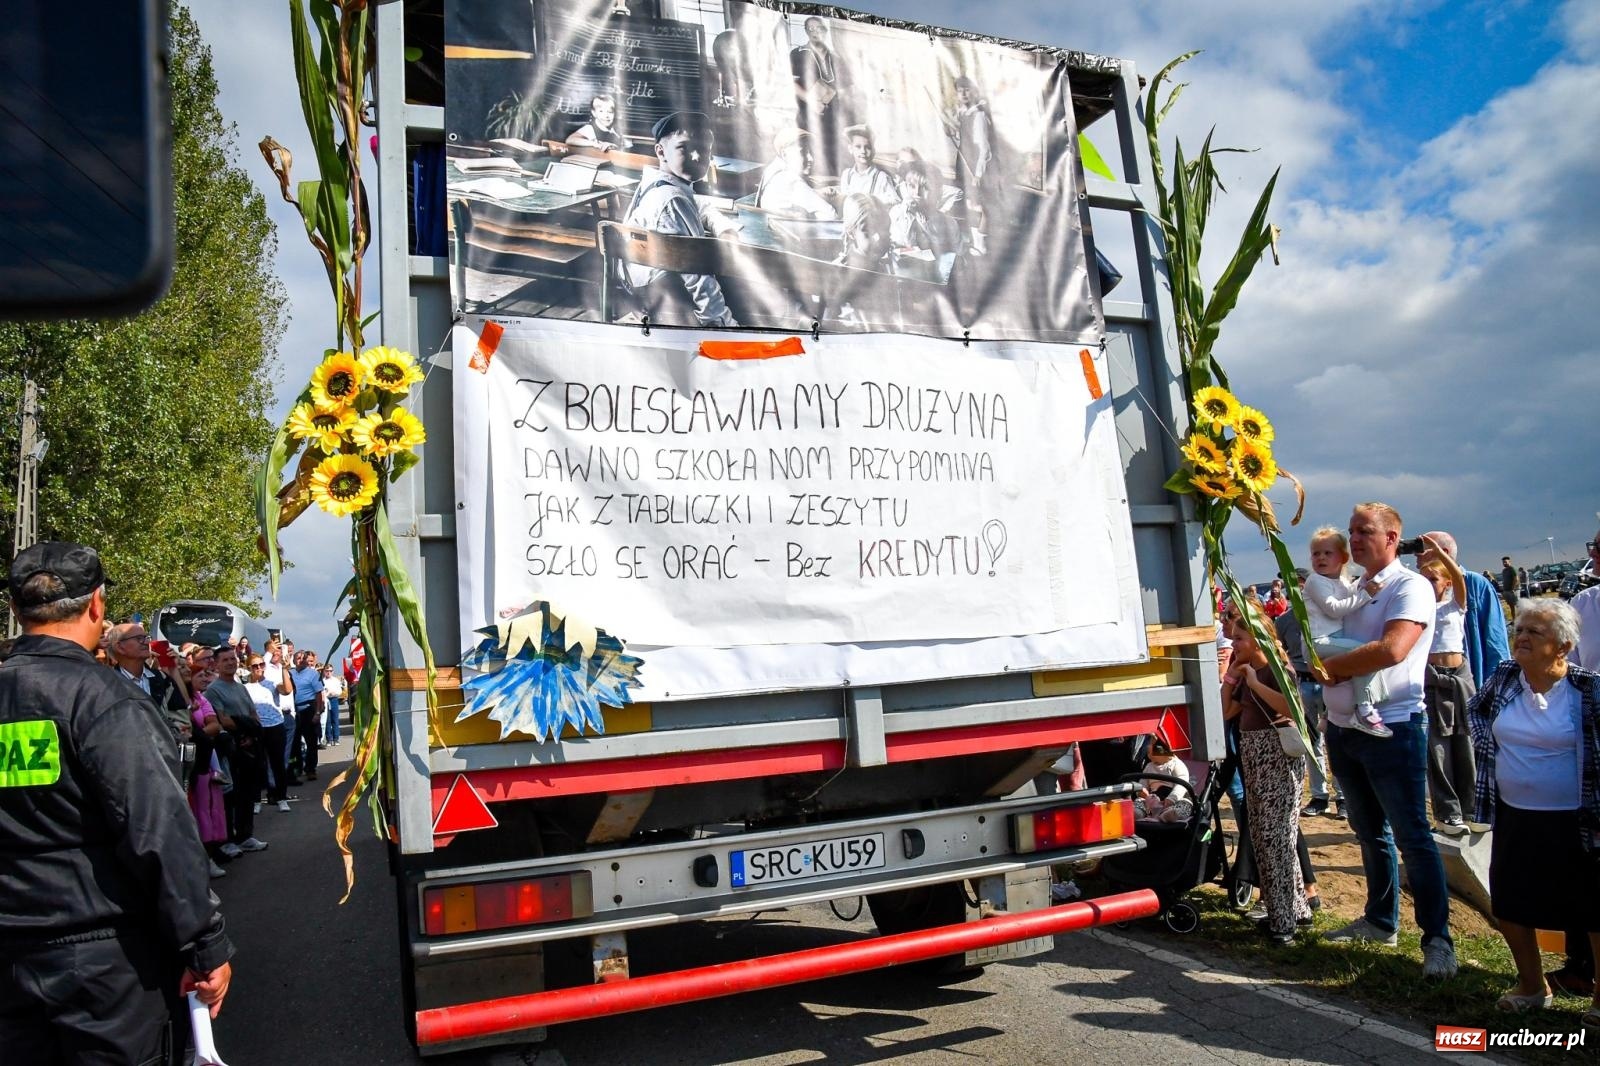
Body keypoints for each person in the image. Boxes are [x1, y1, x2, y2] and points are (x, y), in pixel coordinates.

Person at [0, 542, 233, 1061]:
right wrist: (205, 945)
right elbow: (159, 832)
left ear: (17, 611)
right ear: (97, 607)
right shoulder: (106, 700)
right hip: (102, 963)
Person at [1317, 503, 1457, 979]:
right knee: (1369, 832)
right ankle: (1381, 922)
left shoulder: (1410, 586)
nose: (1354, 539)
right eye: (1352, 530)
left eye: (1365, 531)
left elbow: (1394, 648)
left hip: (1393, 727)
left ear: (1393, 538)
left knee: (1414, 837)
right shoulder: (1357, 588)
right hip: (1344, 729)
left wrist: (1328, 666)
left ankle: (1438, 939)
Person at [1465, 598, 1599, 1020]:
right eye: (1519, 629)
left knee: (1593, 908)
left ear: (1562, 646)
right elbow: (1477, 713)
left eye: (1533, 632)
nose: (1521, 637)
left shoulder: (1589, 689)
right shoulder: (1506, 678)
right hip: (1514, 814)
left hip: (1578, 819)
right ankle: (1531, 985)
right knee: (1510, 902)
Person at [1222, 601, 1311, 944]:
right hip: (1254, 756)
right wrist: (1233, 676)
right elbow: (1227, 709)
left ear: (1258, 638)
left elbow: (1290, 707)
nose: (1234, 644)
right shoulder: (1248, 669)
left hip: (1276, 756)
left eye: (1240, 639)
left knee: (1277, 838)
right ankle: (1294, 909)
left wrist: (1254, 682)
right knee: (1263, 835)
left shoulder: (1276, 669)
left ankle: (1283, 922)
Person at [622, 111, 738, 328]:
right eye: (683, 147)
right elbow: (698, 277)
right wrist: (725, 326)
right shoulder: (671, 199)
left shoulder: (659, 181)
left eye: (704, 148)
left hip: (641, 288)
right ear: (661, 151)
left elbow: (700, 204)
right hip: (668, 304)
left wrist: (722, 227)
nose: (697, 156)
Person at [1304, 526, 1390, 738]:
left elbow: (1351, 599)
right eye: (1316, 553)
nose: (1321, 558)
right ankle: (1364, 708)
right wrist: (1365, 595)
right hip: (1318, 641)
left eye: (1327, 553)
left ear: (1343, 557)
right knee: (1365, 654)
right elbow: (1333, 609)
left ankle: (1329, 714)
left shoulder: (1343, 583)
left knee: (1348, 675)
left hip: (1334, 639)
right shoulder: (1315, 581)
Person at [1417, 538, 1476, 834]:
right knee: (1437, 749)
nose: (1428, 584)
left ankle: (1471, 807)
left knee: (1465, 743)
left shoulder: (1455, 605)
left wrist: (1440, 555)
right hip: (1432, 680)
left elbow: (1460, 578)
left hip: (1459, 678)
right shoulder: (1418, 610)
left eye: (1433, 578)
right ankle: (1447, 812)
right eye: (1423, 579)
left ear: (1446, 582)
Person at [1276, 569, 1341, 820]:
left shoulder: (1326, 616)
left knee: (1335, 739)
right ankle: (1319, 795)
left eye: (1298, 584)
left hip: (1328, 682)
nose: (1293, 590)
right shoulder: (1284, 621)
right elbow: (1283, 653)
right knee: (1311, 742)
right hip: (1303, 685)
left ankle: (1342, 795)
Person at [203, 645, 269, 859]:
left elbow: (252, 714)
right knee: (231, 795)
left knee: (248, 793)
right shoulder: (214, 689)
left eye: (233, 659)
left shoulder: (241, 687)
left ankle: (245, 835)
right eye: (225, 660)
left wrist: (252, 732)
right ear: (216, 664)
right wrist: (244, 730)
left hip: (250, 746)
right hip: (231, 747)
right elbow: (223, 720)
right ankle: (228, 840)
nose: (231, 662)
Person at [1420, 530, 1509, 687]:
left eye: (1421, 549)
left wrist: (1497, 684)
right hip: (1432, 678)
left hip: (1469, 678)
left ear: (1443, 553)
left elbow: (1495, 638)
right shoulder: (1419, 590)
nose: (1416, 555)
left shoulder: (1474, 584)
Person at [940, 74, 997, 250]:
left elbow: (983, 148)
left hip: (976, 164)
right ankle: (974, 242)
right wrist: (950, 131)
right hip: (963, 161)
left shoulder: (978, 115)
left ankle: (981, 244)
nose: (963, 94)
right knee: (968, 202)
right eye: (959, 91)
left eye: (967, 90)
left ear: (973, 92)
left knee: (979, 205)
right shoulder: (963, 113)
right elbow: (962, 136)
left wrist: (979, 173)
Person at [790, 16, 848, 172]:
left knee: (832, 158)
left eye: (819, 28)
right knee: (811, 158)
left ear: (826, 31)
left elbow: (845, 87)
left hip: (832, 117)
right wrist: (810, 99)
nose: (815, 32)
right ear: (806, 32)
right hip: (807, 115)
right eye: (811, 29)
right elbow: (792, 84)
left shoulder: (836, 57)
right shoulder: (797, 54)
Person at [243, 654, 292, 813]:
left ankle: (281, 798)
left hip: (275, 726)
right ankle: (257, 800)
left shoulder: (271, 683)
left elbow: (287, 690)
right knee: (257, 765)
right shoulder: (245, 687)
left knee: (278, 764)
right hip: (257, 728)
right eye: (255, 666)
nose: (259, 668)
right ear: (248, 668)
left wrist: (285, 669)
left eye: (261, 665)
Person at [754, 127, 838, 219]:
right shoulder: (791, 180)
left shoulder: (772, 169)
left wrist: (815, 192)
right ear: (784, 154)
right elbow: (831, 216)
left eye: (810, 152)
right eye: (803, 152)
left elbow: (794, 195)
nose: (810, 158)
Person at [889, 159, 962, 259]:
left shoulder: (949, 224)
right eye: (912, 186)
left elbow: (956, 257)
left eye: (925, 187)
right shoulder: (897, 213)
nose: (917, 193)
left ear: (937, 191)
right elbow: (892, 247)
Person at [1132, 735, 1193, 823]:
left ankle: (1171, 814)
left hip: (1174, 799)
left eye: (1152, 744)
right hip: (1153, 799)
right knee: (1140, 801)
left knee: (1185, 804)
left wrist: (1172, 798)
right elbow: (1143, 781)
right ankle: (1138, 812)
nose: (1148, 746)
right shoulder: (1149, 766)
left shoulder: (1175, 764)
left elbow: (1181, 783)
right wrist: (1142, 791)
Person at [837, 124, 899, 207]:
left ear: (873, 150)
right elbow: (843, 200)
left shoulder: (881, 177)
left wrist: (876, 204)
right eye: (858, 147)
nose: (863, 151)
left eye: (867, 147)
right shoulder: (847, 175)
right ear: (850, 149)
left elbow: (895, 201)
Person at [289, 649, 325, 781]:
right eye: (298, 658)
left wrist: (317, 712)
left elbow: (319, 694)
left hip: (309, 709)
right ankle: (296, 767)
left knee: (311, 741)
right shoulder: (289, 673)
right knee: (294, 742)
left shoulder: (313, 674)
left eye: (303, 658)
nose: (301, 660)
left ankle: (310, 769)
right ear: (293, 660)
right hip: (294, 710)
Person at [322, 663, 345, 745]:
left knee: (335, 719)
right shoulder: (322, 681)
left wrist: (332, 692)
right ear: (324, 671)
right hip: (326, 700)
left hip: (334, 699)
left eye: (330, 671)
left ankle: (336, 738)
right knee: (327, 720)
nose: (328, 673)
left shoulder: (336, 680)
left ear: (333, 671)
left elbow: (340, 691)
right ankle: (329, 738)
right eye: (327, 671)